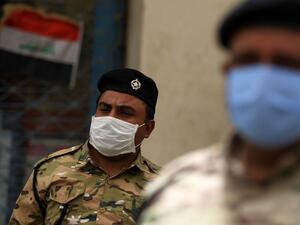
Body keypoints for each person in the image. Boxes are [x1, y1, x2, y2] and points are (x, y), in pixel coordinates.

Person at [137, 0, 300, 225]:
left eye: (286, 64)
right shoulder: (174, 186)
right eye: (248, 61)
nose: (263, 81)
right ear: (228, 73)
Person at [9, 68, 160, 225]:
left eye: (125, 112)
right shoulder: (50, 170)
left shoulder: (162, 187)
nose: (110, 119)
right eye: (105, 108)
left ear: (148, 128)